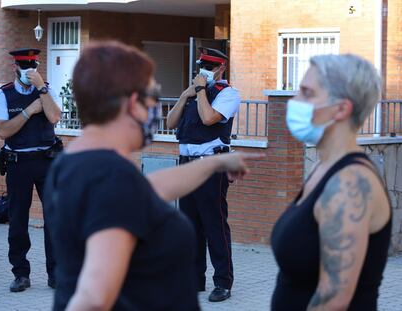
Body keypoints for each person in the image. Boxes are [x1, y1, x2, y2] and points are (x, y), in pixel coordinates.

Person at [43, 41, 258, 311]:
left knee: (213, 225)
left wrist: (215, 164)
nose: (154, 108)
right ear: (133, 103)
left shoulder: (75, 162)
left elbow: (143, 191)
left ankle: (220, 279)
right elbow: (93, 296)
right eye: (151, 97)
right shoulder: (109, 175)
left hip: (205, 161)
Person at [271, 54, 392, 310]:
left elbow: (334, 300)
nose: (295, 101)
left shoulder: (349, 185)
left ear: (341, 109)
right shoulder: (323, 168)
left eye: (307, 93)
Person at [166, 47, 241, 302]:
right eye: (202, 66)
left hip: (210, 165)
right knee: (190, 226)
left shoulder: (228, 94)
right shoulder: (194, 93)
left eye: (209, 67)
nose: (204, 71)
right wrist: (185, 95)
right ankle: (194, 278)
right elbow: (170, 123)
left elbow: (209, 119)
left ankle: (222, 282)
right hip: (187, 165)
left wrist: (199, 92)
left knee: (215, 225)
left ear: (221, 68)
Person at [0, 48, 62, 292]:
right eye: (23, 66)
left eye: (32, 65)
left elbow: (54, 117)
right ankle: (21, 274)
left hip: (47, 161)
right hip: (18, 163)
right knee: (18, 220)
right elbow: (3, 131)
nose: (27, 70)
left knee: (54, 219)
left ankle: (56, 274)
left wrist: (41, 89)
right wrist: (28, 111)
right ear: (15, 67)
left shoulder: (47, 89)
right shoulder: (4, 94)